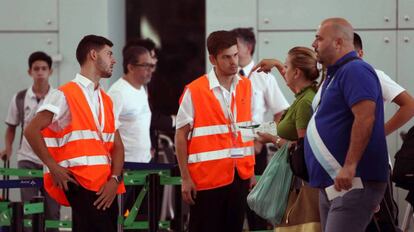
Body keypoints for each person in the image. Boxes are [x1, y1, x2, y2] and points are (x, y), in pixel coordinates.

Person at [24, 35, 125, 232]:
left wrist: (114, 179)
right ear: (94, 55)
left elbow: (118, 145)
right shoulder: (64, 93)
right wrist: (53, 167)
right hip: (80, 184)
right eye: (109, 54)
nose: (113, 60)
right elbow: (31, 130)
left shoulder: (106, 99)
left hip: (106, 187)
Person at [305, 18, 388, 232]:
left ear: (338, 42)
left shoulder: (355, 71)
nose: (314, 44)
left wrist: (350, 165)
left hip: (353, 180)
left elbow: (365, 118)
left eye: (319, 38)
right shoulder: (336, 74)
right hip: (335, 183)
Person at [175, 30, 255, 232]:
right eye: (226, 57)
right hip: (206, 180)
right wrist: (185, 178)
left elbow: (246, 129)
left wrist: (251, 171)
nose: (233, 62)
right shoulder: (195, 90)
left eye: (235, 55)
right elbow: (180, 136)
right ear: (213, 59)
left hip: (239, 176)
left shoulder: (245, 86)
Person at [253, 47, 321, 231]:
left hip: (302, 186)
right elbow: (294, 84)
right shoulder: (303, 95)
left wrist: (272, 139)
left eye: (286, 66)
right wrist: (276, 64)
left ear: (297, 72)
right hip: (296, 182)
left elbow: (303, 148)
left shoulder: (305, 103)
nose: (284, 71)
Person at [231, 27, 289, 230]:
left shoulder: (263, 76)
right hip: (229, 148)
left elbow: (281, 111)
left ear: (248, 47)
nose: (232, 53)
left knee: (255, 206)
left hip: (255, 147)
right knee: (231, 206)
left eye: (235, 46)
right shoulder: (225, 75)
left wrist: (259, 139)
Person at [0, 51, 60, 232]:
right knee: (30, 209)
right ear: (30, 72)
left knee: (52, 210)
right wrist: (8, 148)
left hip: (51, 161)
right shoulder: (20, 98)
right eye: (36, 69)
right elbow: (11, 127)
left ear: (50, 71)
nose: (40, 72)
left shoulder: (59, 97)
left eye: (44, 68)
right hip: (26, 159)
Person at [108, 45, 154, 225]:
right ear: (131, 67)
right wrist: (116, 167)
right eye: (146, 66)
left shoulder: (142, 89)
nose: (151, 70)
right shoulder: (118, 92)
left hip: (144, 164)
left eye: (151, 65)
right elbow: (108, 129)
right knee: (121, 219)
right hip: (125, 168)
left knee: (140, 220)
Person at [123, 38, 176, 161]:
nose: (154, 61)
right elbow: (146, 118)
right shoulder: (123, 91)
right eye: (151, 57)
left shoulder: (144, 86)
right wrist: (173, 120)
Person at [353, 32, 414, 136]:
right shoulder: (331, 78)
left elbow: (410, 105)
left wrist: (380, 134)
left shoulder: (375, 75)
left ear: (360, 54)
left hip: (367, 149)